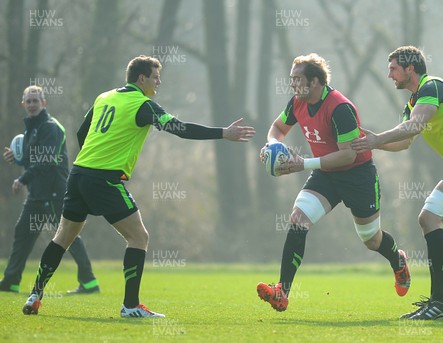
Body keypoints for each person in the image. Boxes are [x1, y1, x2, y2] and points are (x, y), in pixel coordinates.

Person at [22, 55, 255, 318]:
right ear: (141, 78)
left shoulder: (104, 97)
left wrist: (97, 153)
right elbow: (179, 128)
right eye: (156, 77)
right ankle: (130, 306)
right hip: (105, 180)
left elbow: (80, 133)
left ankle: (35, 294)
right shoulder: (143, 104)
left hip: (78, 174)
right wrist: (223, 132)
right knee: (139, 237)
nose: (159, 82)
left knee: (63, 238)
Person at [256, 53, 411, 312]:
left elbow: (348, 155)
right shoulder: (297, 102)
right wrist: (272, 145)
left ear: (315, 81)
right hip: (326, 174)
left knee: (371, 239)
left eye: (297, 79)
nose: (292, 84)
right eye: (291, 79)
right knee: (298, 219)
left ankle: (398, 260)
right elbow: (277, 129)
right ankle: (282, 292)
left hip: (358, 175)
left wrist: (302, 163)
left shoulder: (340, 108)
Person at [351, 46, 443, 320]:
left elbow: (415, 126)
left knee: (428, 218)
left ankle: (441, 301)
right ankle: (441, 300)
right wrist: (373, 143)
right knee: (434, 224)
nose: (389, 74)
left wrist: (377, 139)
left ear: (410, 69)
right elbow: (405, 141)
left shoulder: (432, 87)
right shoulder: (412, 102)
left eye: (393, 68)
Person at [1, 86, 100, 295]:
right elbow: (32, 158)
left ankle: (89, 282)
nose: (31, 105)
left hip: (56, 193)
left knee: (67, 236)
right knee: (23, 234)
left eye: (35, 101)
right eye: (28, 101)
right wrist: (16, 158)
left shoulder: (51, 127)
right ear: (23, 104)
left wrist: (22, 178)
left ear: (43, 103)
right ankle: (11, 281)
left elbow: (46, 160)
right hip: (37, 193)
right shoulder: (30, 128)